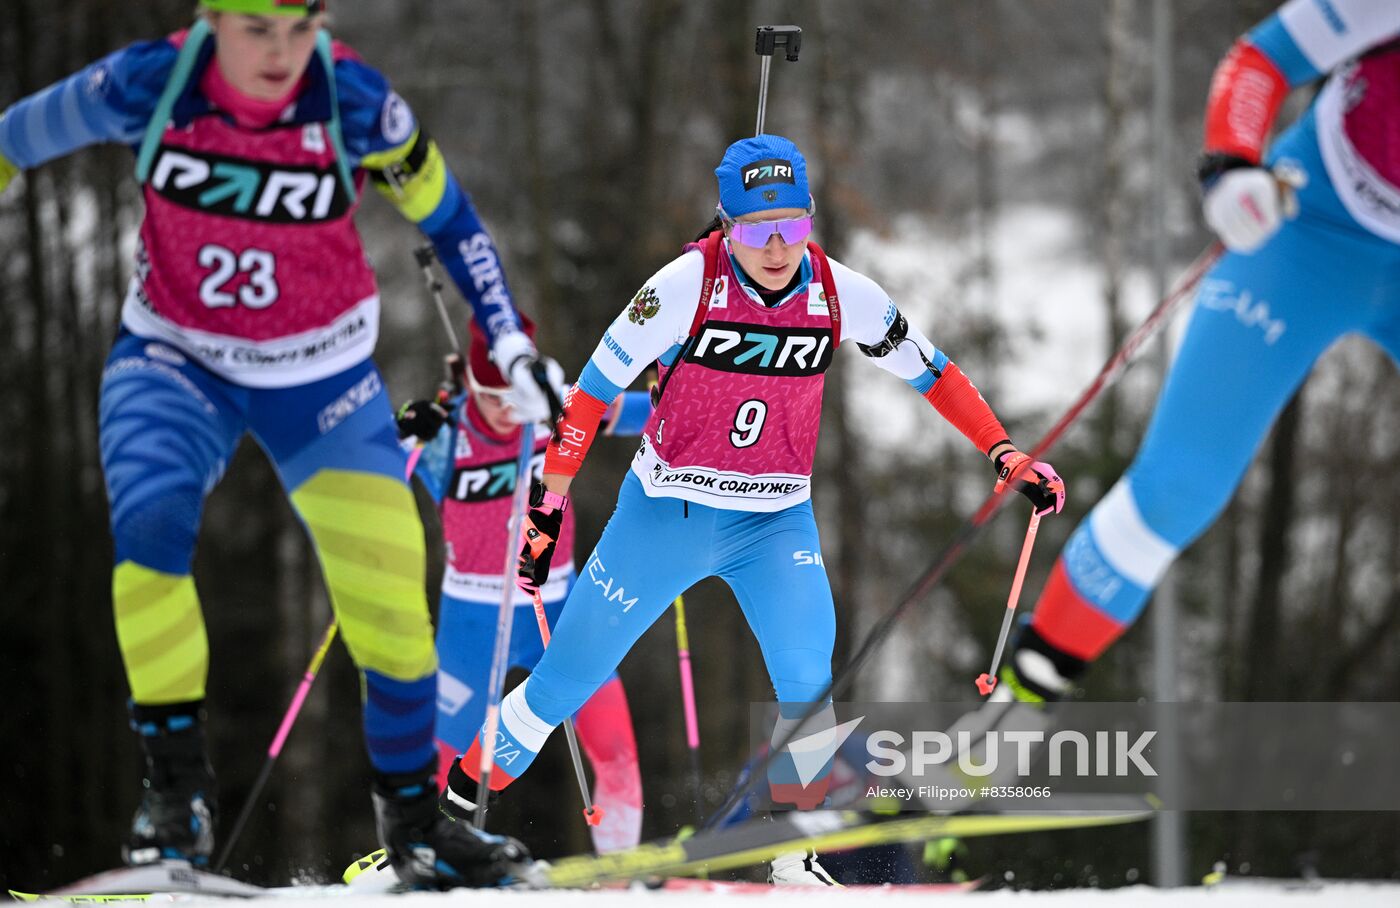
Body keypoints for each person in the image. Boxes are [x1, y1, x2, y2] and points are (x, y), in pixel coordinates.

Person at [0, 0, 565, 887]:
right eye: (258, 29)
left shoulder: (356, 104)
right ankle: (174, 797)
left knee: (388, 601)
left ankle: (417, 828)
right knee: (150, 528)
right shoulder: (152, 85)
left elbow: (452, 222)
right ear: (212, 20)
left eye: (300, 30)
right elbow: (13, 138)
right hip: (175, 359)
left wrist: (511, 338)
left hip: (321, 377)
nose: (280, 54)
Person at [433, 134, 1066, 885]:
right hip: (666, 515)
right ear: (726, 227)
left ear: (809, 220)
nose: (777, 246)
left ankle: (793, 856)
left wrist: (1003, 451)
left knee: (806, 677)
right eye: (756, 230)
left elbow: (933, 372)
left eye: (792, 225)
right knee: (559, 687)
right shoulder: (681, 286)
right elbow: (592, 394)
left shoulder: (840, 293)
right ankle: (439, 829)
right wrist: (546, 507)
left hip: (773, 524)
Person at [991, 0, 1400, 706]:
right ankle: (1000, 730)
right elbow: (1261, 60)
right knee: (1177, 486)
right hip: (1312, 230)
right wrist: (1232, 164)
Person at [394, 318, 651, 854]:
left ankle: (620, 873)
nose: (508, 408)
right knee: (446, 766)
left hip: (558, 606)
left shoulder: (555, 407)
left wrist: (677, 391)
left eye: (516, 394)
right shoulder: (444, 435)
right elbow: (371, 464)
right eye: (492, 396)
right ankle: (445, 863)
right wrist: (399, 430)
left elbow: (647, 414)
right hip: (471, 619)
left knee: (616, 752)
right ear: (468, 382)